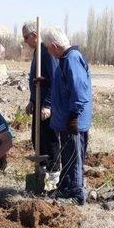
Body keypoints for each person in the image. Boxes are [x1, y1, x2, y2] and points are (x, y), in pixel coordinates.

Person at [42, 26, 93, 205]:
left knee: (74, 157)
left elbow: (80, 91)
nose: (48, 51)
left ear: (55, 46)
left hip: (73, 121)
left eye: (48, 48)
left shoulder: (72, 59)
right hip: (66, 120)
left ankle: (76, 194)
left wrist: (73, 116)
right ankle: (65, 188)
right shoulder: (65, 59)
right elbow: (65, 86)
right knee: (68, 155)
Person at [22, 20, 61, 187]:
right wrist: (32, 100)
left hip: (46, 105)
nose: (25, 41)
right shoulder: (37, 52)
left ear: (35, 35)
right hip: (37, 102)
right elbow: (37, 81)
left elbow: (54, 79)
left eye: (26, 37)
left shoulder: (46, 51)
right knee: (36, 137)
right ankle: (42, 172)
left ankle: (54, 176)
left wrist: (48, 104)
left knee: (49, 139)